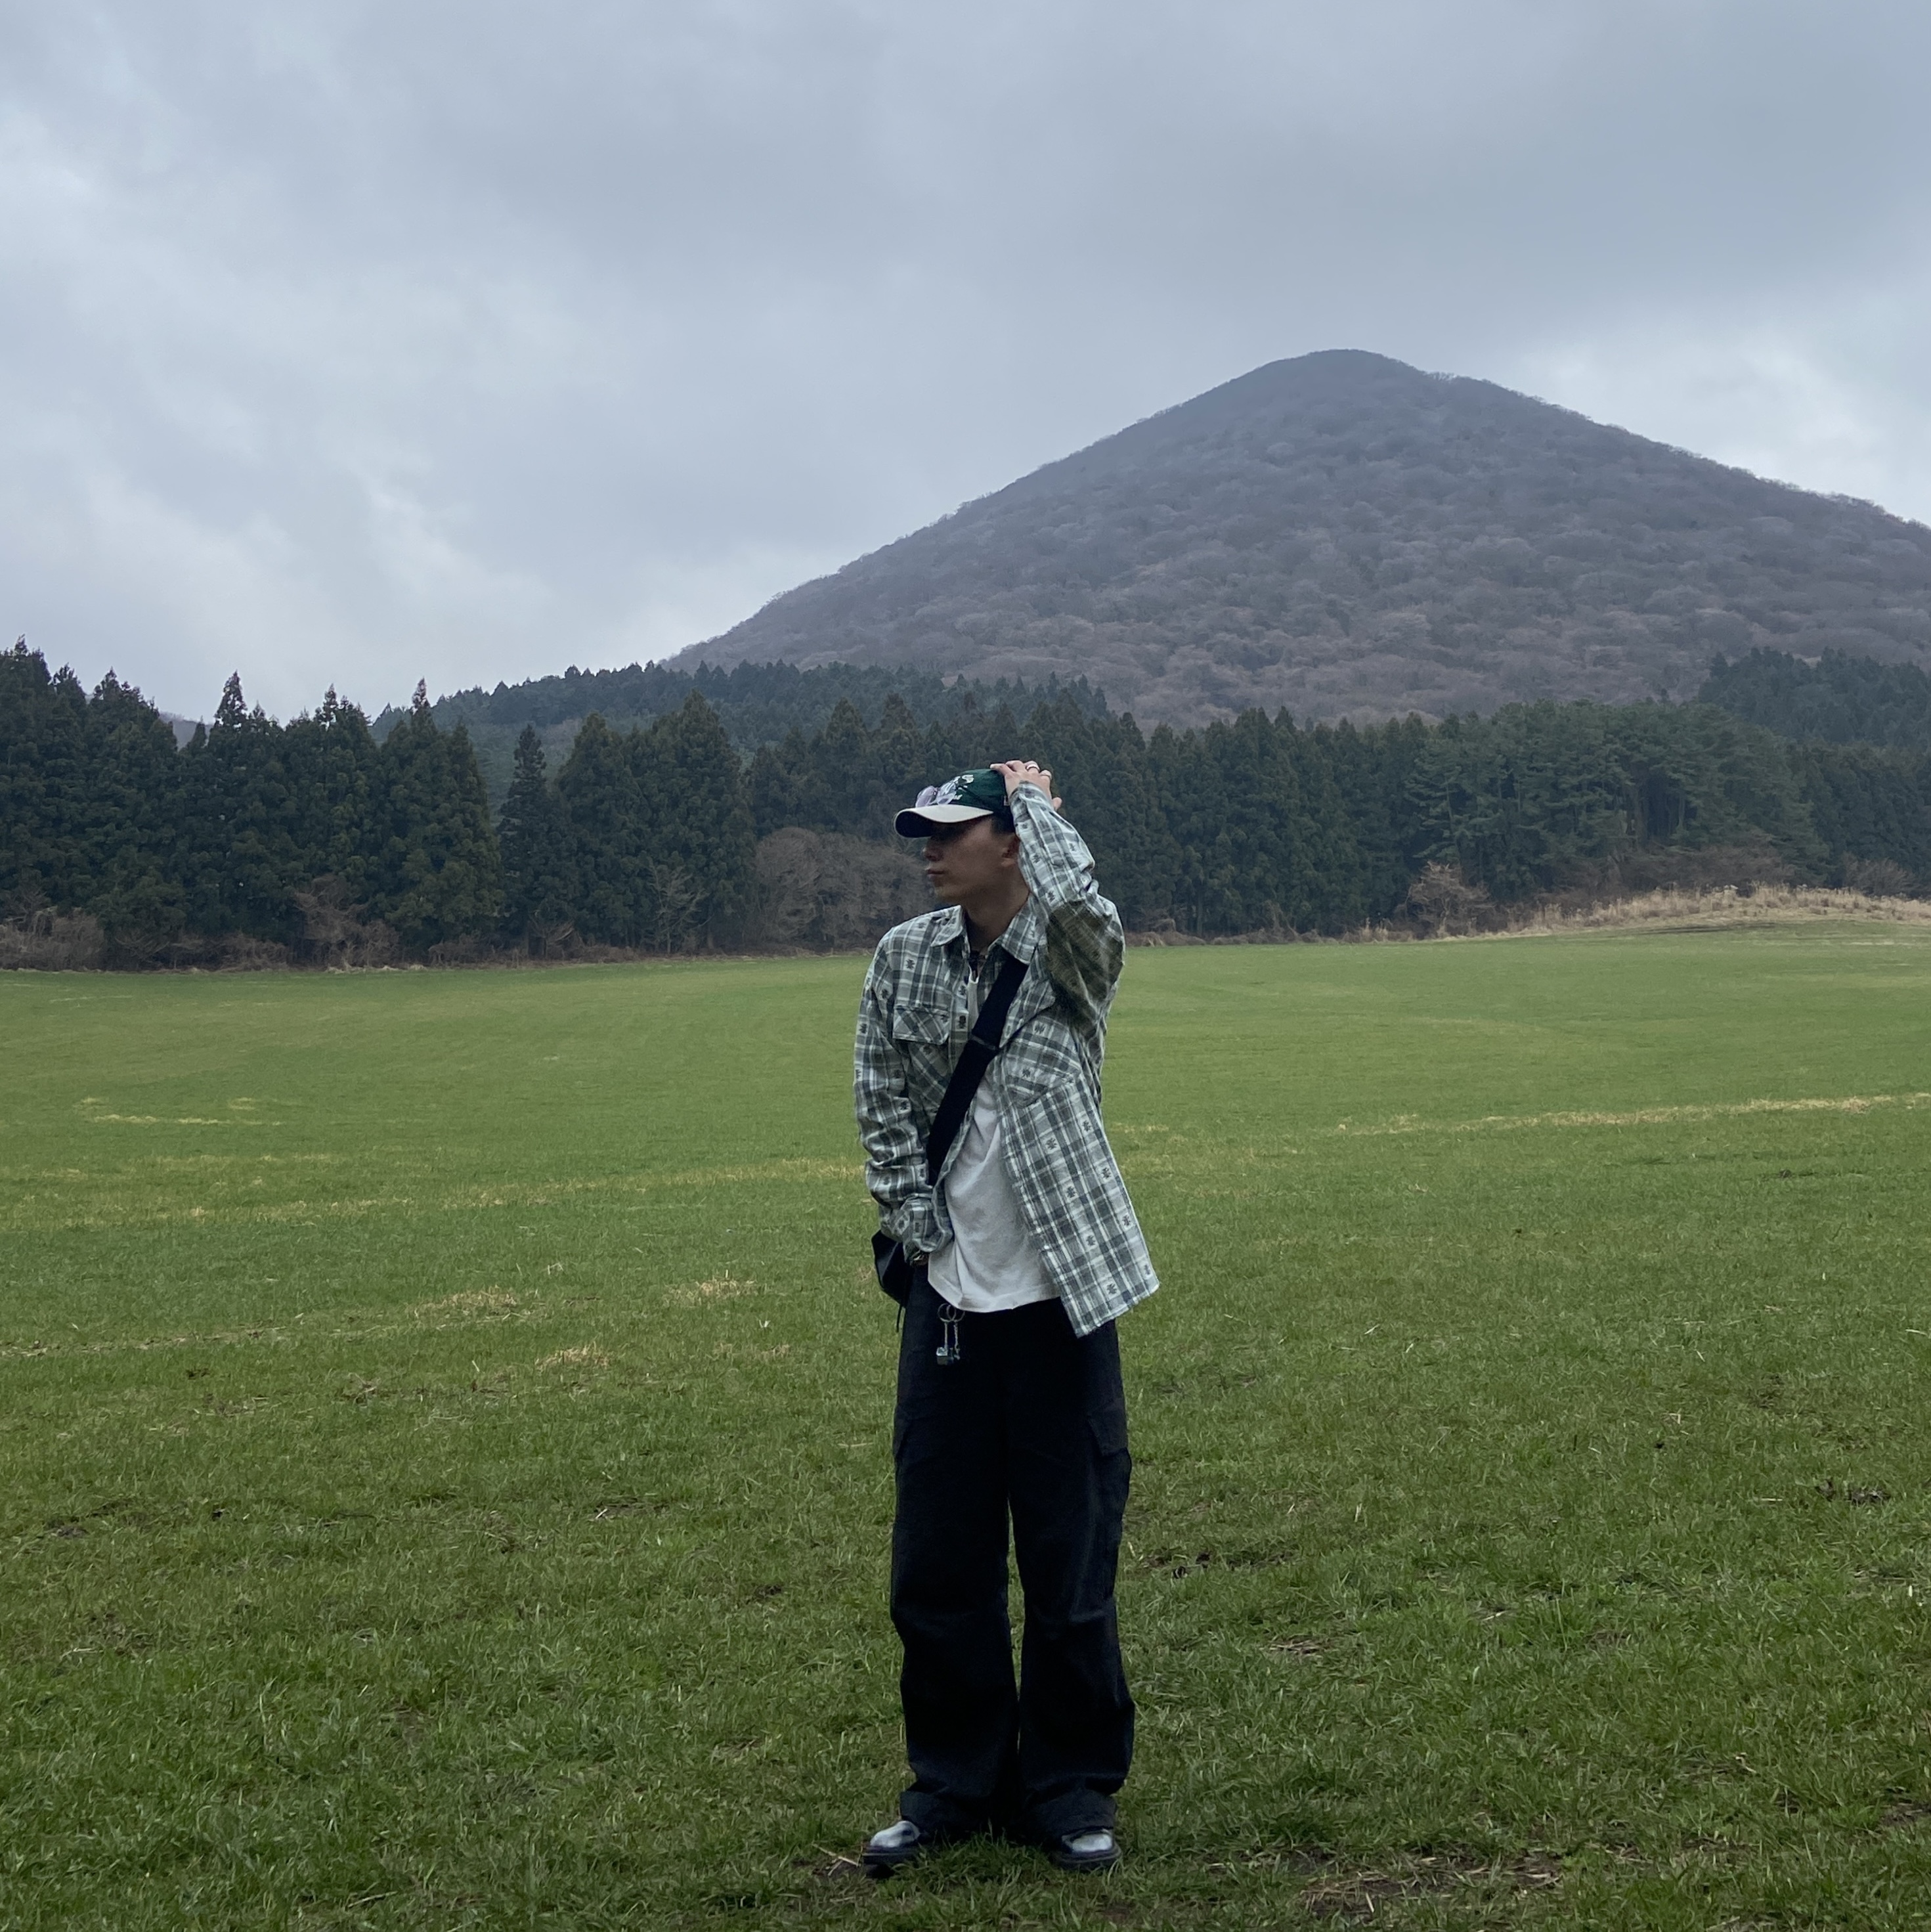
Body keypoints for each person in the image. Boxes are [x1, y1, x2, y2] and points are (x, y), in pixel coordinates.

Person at [852, 758, 1160, 1876]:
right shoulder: (902, 957)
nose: (928, 850)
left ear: (1011, 840)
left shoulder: (1071, 961)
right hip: (947, 1298)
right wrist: (913, 1217)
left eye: (952, 831)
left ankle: (1070, 1784)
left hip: (1060, 1296)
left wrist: (1042, 806)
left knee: (1070, 1557)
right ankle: (952, 1782)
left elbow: (1085, 907)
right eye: (922, 834)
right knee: (938, 1561)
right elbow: (879, 1095)